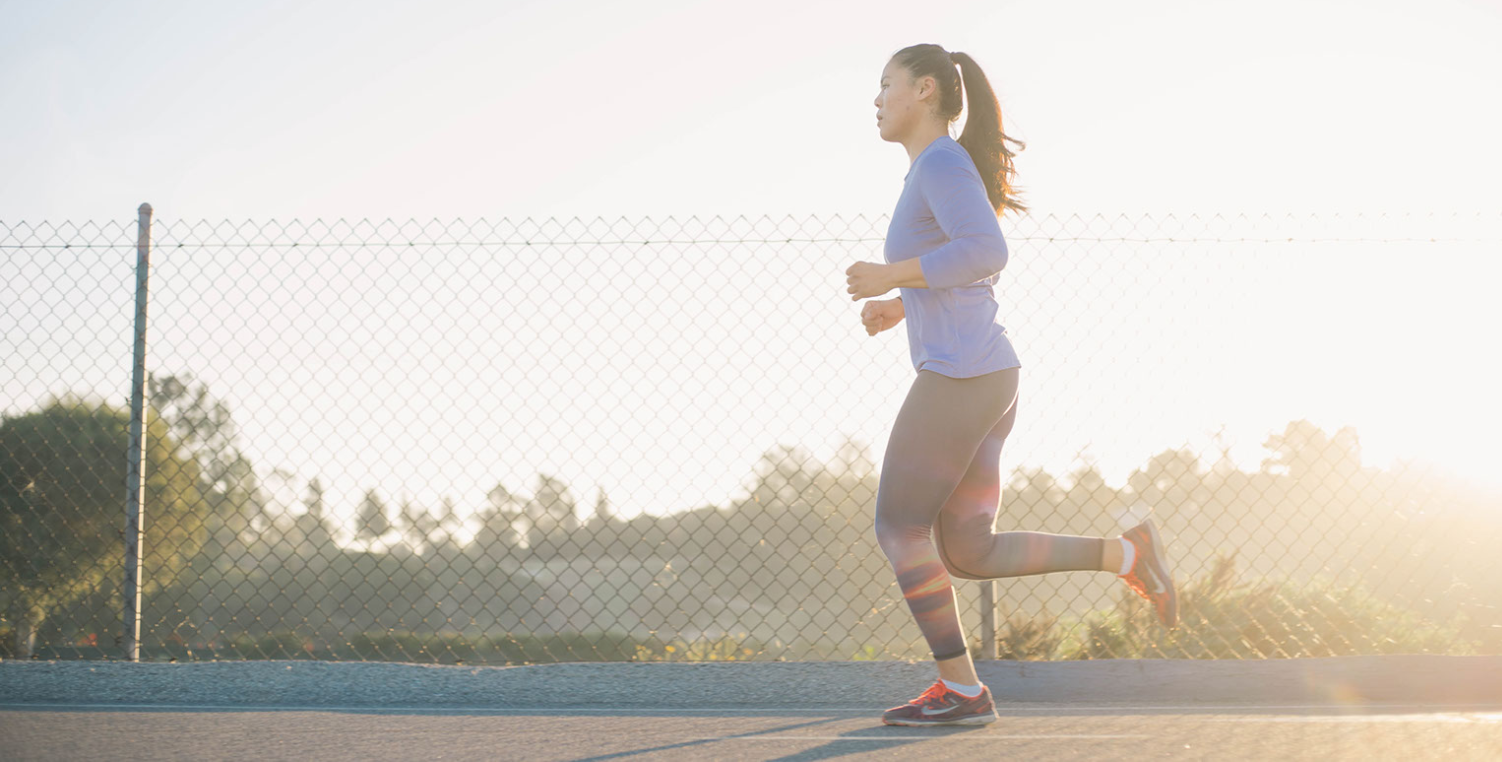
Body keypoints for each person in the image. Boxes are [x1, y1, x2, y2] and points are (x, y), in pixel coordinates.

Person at [845, 43, 1178, 727]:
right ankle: (1129, 554)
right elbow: (966, 268)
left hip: (964, 376)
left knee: (899, 525)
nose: (876, 100)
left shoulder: (938, 162)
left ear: (927, 91)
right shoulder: (934, 168)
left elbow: (987, 252)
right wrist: (901, 304)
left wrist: (891, 275)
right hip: (987, 375)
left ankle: (963, 692)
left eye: (886, 85)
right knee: (968, 549)